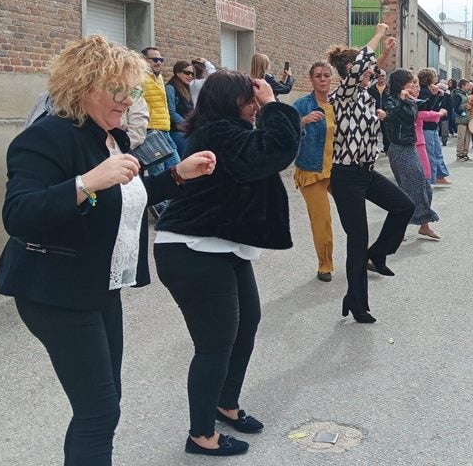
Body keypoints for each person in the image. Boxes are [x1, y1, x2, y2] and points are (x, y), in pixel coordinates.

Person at [0, 36, 216, 465]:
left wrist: (177, 176)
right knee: (99, 410)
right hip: (53, 290)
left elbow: (124, 197)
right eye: (117, 89)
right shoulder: (48, 138)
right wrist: (85, 183)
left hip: (99, 286)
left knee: (104, 404)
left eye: (131, 90)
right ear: (83, 86)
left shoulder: (110, 137)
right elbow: (18, 214)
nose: (127, 100)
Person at [153, 70, 299, 457]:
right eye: (249, 98)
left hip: (223, 246)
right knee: (214, 344)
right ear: (228, 101)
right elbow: (274, 152)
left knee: (246, 324)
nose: (255, 104)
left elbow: (267, 155)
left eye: (256, 98)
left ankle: (225, 403)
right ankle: (201, 435)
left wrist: (267, 107)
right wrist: (273, 105)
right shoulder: (219, 133)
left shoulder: (226, 131)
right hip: (192, 249)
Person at [328, 25, 415, 323]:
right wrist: (378, 35)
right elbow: (363, 67)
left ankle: (378, 254)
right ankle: (357, 302)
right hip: (345, 176)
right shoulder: (343, 93)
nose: (371, 75)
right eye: (363, 71)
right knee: (357, 239)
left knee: (404, 206)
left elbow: (370, 69)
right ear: (351, 71)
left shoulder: (364, 96)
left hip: (366, 172)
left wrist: (387, 53)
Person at [293, 61, 337, 282]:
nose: (323, 79)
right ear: (311, 79)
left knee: (354, 214)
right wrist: (302, 121)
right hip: (312, 170)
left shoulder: (339, 103)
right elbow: (281, 130)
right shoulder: (302, 105)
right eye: (318, 76)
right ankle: (325, 264)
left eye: (327, 75)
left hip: (338, 169)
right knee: (322, 220)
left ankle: (364, 256)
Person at [384, 69, 441, 240]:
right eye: (411, 82)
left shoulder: (411, 101)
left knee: (424, 187)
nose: (414, 85)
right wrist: (401, 100)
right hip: (399, 149)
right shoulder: (393, 101)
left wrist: (435, 95)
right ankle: (398, 228)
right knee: (409, 190)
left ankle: (424, 226)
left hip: (411, 147)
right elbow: (390, 117)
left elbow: (425, 105)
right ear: (402, 84)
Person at [140, 47, 181, 177]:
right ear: (144, 60)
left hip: (165, 130)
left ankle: (172, 198)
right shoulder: (140, 78)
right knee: (159, 173)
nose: (159, 63)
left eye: (161, 60)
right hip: (152, 131)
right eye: (155, 59)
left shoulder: (159, 78)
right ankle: (161, 198)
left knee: (176, 168)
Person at [417, 68, 450, 184]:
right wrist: (439, 112)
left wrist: (439, 96)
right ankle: (431, 178)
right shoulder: (424, 91)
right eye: (435, 75)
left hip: (432, 125)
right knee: (430, 153)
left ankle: (440, 175)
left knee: (437, 151)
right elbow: (427, 110)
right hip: (426, 126)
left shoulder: (431, 90)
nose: (437, 77)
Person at [166, 60, 196, 157]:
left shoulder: (187, 88)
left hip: (186, 131)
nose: (190, 76)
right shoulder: (171, 87)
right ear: (177, 72)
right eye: (187, 73)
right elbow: (171, 111)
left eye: (192, 73)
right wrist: (187, 124)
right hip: (177, 132)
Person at [368, 70, 391, 153]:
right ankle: (372, 150)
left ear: (385, 77)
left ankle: (387, 149)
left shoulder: (389, 89)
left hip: (385, 113)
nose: (381, 77)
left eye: (383, 75)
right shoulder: (371, 89)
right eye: (379, 75)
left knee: (386, 132)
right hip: (374, 113)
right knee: (373, 132)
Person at [453, 79, 473, 162]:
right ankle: (459, 154)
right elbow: (455, 108)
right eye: (467, 85)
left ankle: (465, 153)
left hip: (468, 119)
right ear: (463, 86)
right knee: (461, 138)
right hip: (461, 119)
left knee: (467, 138)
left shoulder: (466, 94)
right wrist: (464, 109)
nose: (469, 86)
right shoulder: (457, 95)